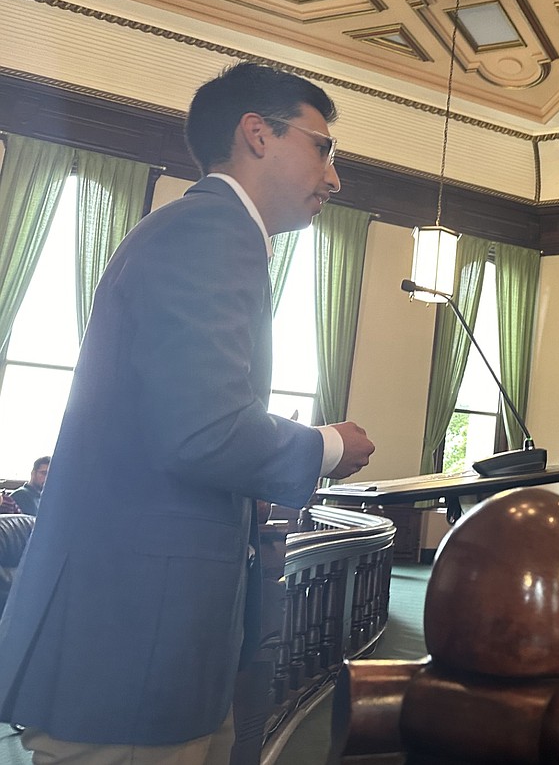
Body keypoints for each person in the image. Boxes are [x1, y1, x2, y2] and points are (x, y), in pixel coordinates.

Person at [0, 62, 377, 763]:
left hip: (144, 641)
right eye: (324, 147)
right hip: (126, 646)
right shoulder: (211, 231)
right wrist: (329, 445)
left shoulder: (211, 232)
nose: (334, 177)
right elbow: (206, 431)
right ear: (257, 134)